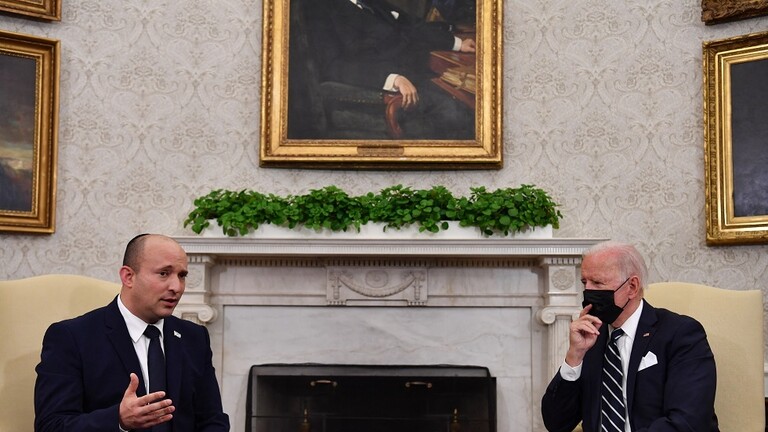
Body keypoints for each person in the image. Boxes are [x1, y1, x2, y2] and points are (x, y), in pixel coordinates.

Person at [34, 234, 230, 432]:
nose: (176, 287)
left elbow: (212, 420)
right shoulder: (72, 338)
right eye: (164, 273)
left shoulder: (194, 337)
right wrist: (118, 420)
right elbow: (51, 426)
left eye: (182, 275)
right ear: (128, 277)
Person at [541, 241, 718, 432]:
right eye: (585, 282)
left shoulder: (681, 334)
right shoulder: (591, 338)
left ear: (632, 286)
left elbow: (687, 422)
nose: (588, 291)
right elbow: (557, 423)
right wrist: (574, 356)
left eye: (598, 283)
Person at [304, 0, 476, 139]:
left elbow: (412, 25)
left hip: (419, 76)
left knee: (469, 99)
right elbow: (333, 65)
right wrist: (393, 79)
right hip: (383, 91)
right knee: (462, 114)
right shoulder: (320, 8)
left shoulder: (370, 3)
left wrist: (457, 43)